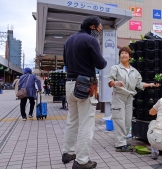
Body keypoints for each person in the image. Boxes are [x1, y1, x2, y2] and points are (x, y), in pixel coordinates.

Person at [62, 16, 107, 169]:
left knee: (72, 120)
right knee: (86, 124)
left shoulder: (69, 40)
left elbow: (66, 62)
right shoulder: (91, 40)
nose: (99, 32)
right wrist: (104, 59)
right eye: (99, 29)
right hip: (86, 85)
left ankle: (68, 152)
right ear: (93, 27)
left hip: (70, 84)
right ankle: (82, 160)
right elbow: (100, 64)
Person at [108, 47, 160, 152]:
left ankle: (122, 140)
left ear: (129, 57)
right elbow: (110, 81)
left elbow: (139, 84)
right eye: (121, 53)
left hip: (129, 98)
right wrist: (116, 83)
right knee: (119, 120)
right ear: (119, 56)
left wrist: (151, 84)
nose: (123, 55)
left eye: (125, 53)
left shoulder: (134, 71)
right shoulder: (115, 68)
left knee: (127, 121)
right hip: (118, 96)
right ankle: (120, 145)